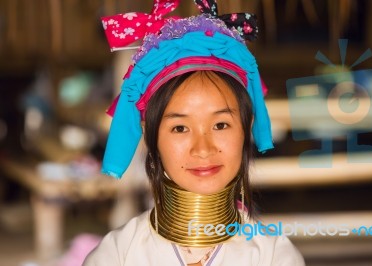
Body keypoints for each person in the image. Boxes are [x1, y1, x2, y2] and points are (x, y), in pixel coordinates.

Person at [84, 0, 305, 265]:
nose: (203, 149)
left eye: (220, 125)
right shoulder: (117, 255)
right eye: (180, 128)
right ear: (152, 139)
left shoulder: (273, 256)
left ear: (246, 129)